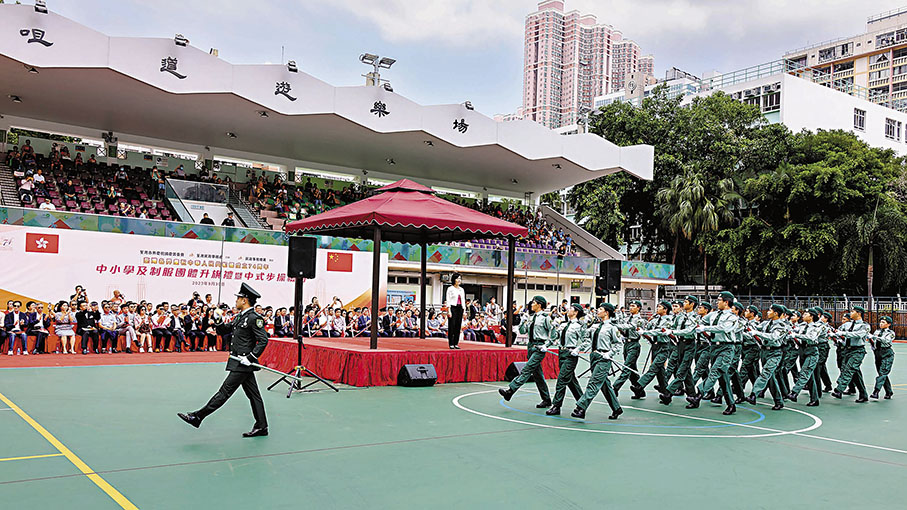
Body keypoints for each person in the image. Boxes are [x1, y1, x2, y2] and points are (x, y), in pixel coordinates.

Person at [178, 283, 270, 438]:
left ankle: (198, 416)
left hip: (243, 363)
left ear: (245, 300)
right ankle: (262, 426)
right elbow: (225, 330)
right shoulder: (241, 316)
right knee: (254, 395)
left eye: (239, 298)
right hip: (240, 362)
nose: (236, 300)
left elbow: (263, 340)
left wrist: (251, 357)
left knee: (224, 392)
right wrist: (218, 319)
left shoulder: (254, 318)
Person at [499, 296, 553, 408]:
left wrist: (546, 345)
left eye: (534, 302)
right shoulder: (531, 317)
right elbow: (523, 331)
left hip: (539, 347)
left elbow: (554, 334)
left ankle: (510, 391)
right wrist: (523, 321)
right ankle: (546, 399)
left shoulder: (545, 318)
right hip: (531, 346)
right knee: (538, 375)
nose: (531, 304)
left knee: (527, 369)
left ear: (539, 305)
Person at [571, 302, 623, 420]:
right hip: (594, 356)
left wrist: (609, 353)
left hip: (603, 357)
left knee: (593, 382)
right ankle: (616, 408)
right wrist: (584, 322)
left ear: (607, 312)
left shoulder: (612, 328)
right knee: (604, 384)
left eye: (600, 309)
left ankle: (581, 408)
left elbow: (618, 343)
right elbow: (585, 336)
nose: (597, 311)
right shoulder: (595, 326)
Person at [545, 303, 586, 416]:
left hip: (570, 354)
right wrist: (552, 327)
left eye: (571, 309)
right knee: (571, 381)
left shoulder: (579, 326)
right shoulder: (563, 325)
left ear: (576, 312)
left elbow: (586, 341)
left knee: (562, 380)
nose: (568, 310)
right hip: (561, 353)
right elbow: (554, 337)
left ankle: (556, 406)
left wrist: (577, 349)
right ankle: (582, 403)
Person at [831, 306, 870, 403]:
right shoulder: (847, 325)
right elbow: (839, 332)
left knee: (848, 370)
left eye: (853, 311)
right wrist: (833, 334)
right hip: (847, 350)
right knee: (854, 373)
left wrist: (843, 333)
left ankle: (839, 389)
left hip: (857, 351)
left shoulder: (865, 326)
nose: (851, 313)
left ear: (859, 313)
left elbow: (858, 335)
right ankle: (863, 394)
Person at [869, 316, 895, 400]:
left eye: (883, 322)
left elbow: (886, 340)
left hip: (886, 353)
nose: (881, 323)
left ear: (889, 324)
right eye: (880, 322)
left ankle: (876, 391)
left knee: (883, 373)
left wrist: (874, 337)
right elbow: (874, 342)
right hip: (878, 353)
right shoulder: (877, 331)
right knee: (882, 374)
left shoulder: (890, 333)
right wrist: (872, 343)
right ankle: (889, 392)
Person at [446, 273, 466, 349]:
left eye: (460, 278)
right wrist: (449, 310)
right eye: (457, 278)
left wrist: (464, 311)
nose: (459, 280)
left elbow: (463, 300)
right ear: (454, 279)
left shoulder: (461, 289)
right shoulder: (450, 289)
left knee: (458, 326)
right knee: (452, 326)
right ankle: (451, 343)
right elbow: (448, 300)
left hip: (460, 308)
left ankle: (456, 343)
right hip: (452, 308)